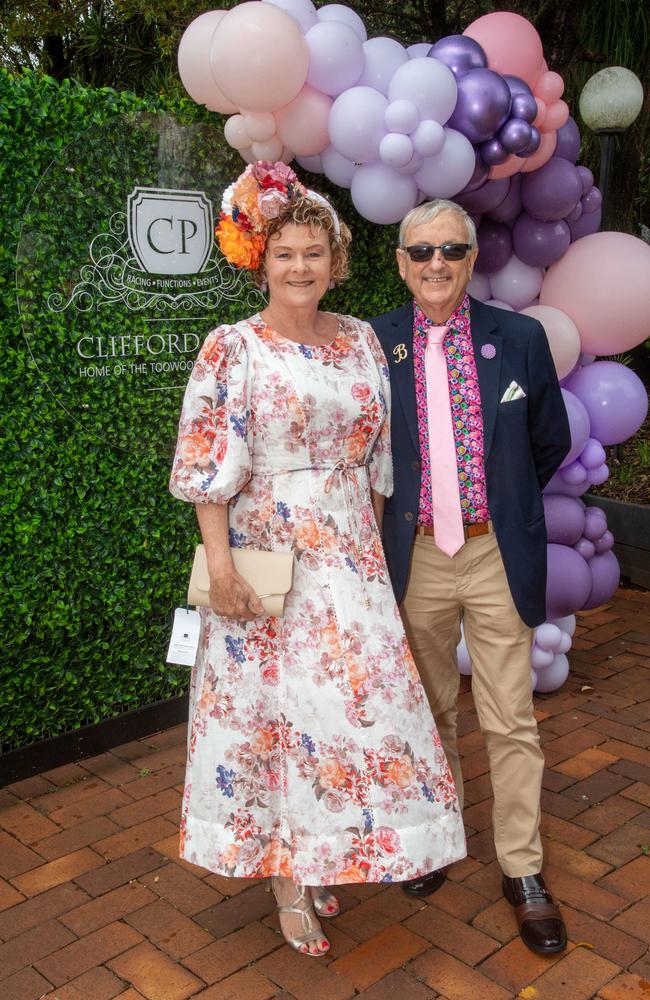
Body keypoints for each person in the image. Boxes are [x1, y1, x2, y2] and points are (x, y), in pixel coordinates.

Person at [169, 163, 465, 958]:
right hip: (269, 562)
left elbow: (378, 462)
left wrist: (368, 554)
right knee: (278, 721)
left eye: (314, 253)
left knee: (351, 719)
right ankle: (288, 882)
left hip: (351, 561)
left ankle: (324, 850)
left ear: (337, 261)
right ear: (260, 262)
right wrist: (222, 569)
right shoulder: (233, 348)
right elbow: (206, 471)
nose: (300, 267)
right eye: (285, 254)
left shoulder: (364, 338)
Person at [370, 198, 571, 956]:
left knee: (510, 717)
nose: (436, 265)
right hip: (414, 555)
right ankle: (434, 838)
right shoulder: (375, 344)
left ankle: (522, 870)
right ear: (401, 263)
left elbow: (546, 440)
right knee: (426, 713)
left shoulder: (519, 339)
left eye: (451, 250)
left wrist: (505, 499)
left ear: (471, 256)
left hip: (493, 553)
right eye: (420, 253)